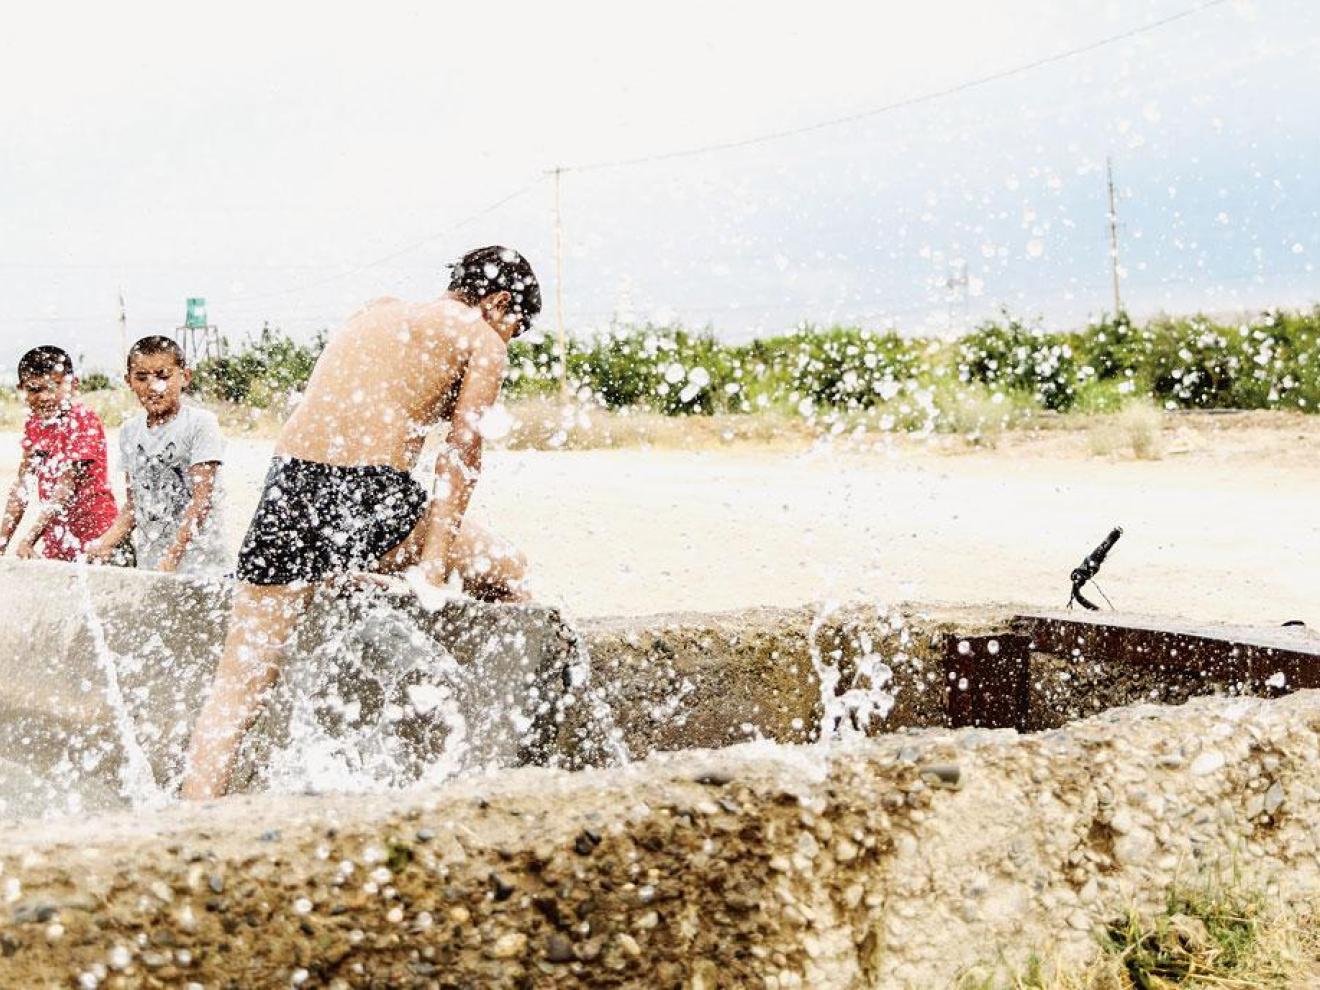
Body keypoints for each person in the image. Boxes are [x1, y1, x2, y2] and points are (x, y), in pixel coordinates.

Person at [180, 245, 540, 800]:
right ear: (497, 300)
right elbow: (462, 455)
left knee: (238, 685)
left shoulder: (374, 310)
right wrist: (435, 566)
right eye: (516, 324)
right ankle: (498, 770)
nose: (510, 337)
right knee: (511, 572)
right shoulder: (482, 339)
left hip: (287, 488)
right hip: (369, 492)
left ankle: (187, 822)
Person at [87, 336, 227, 575]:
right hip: (151, 565)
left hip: (202, 567)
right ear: (129, 381)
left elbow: (201, 502)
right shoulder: (130, 431)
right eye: (142, 378)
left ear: (185, 377)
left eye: (163, 376)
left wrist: (172, 558)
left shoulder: (200, 424)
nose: (153, 386)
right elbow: (134, 504)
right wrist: (104, 543)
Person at [0, 346, 118, 561]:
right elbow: (21, 488)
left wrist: (29, 540)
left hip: (98, 539)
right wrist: (2, 541)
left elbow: (65, 488)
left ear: (73, 385)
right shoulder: (35, 425)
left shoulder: (82, 420)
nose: (45, 397)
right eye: (35, 389)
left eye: (53, 387)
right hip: (59, 542)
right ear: (22, 389)